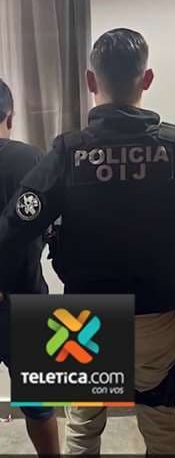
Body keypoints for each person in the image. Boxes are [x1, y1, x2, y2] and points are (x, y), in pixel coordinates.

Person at [0, 29, 175, 455]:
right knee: (160, 428)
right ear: (147, 79)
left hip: (84, 318)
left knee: (83, 432)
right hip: (155, 314)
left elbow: (13, 228)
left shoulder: (67, 153)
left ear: (91, 80)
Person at [0, 80, 60, 456]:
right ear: (10, 115)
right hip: (27, 300)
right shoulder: (33, 159)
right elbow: (55, 228)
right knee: (39, 406)